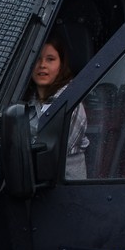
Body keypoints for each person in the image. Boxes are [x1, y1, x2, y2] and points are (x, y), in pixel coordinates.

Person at [25, 36, 90, 179]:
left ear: (61, 65)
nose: (42, 65)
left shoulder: (71, 102)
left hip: (64, 188)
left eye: (50, 59)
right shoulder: (26, 101)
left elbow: (47, 153)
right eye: (37, 59)